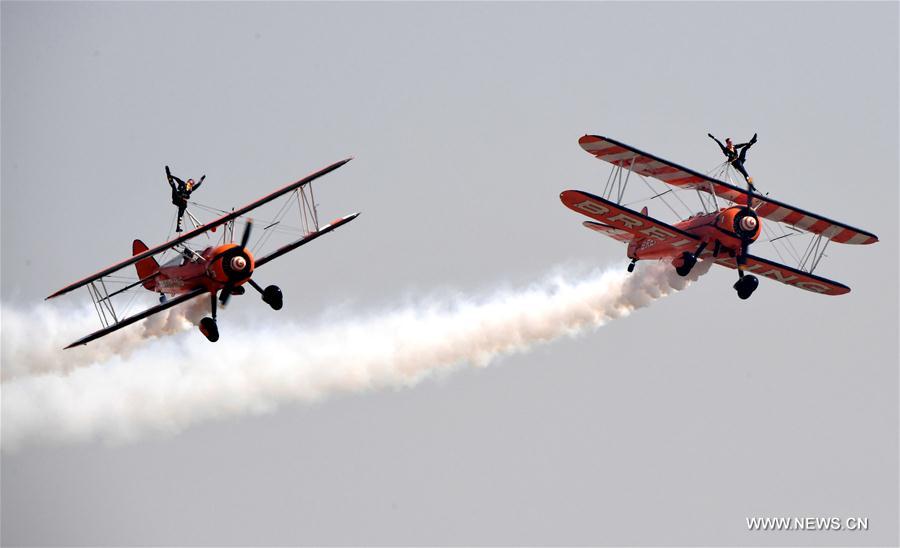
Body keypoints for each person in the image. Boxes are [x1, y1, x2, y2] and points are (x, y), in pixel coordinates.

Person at [165, 166, 205, 232]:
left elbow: (198, 185)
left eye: (192, 184)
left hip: (180, 202)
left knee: (182, 209)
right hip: (176, 197)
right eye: (190, 182)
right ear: (188, 182)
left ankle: (178, 227)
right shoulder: (183, 183)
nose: (190, 184)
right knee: (173, 185)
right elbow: (177, 179)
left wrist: (201, 179)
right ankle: (168, 173)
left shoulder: (191, 190)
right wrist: (171, 176)